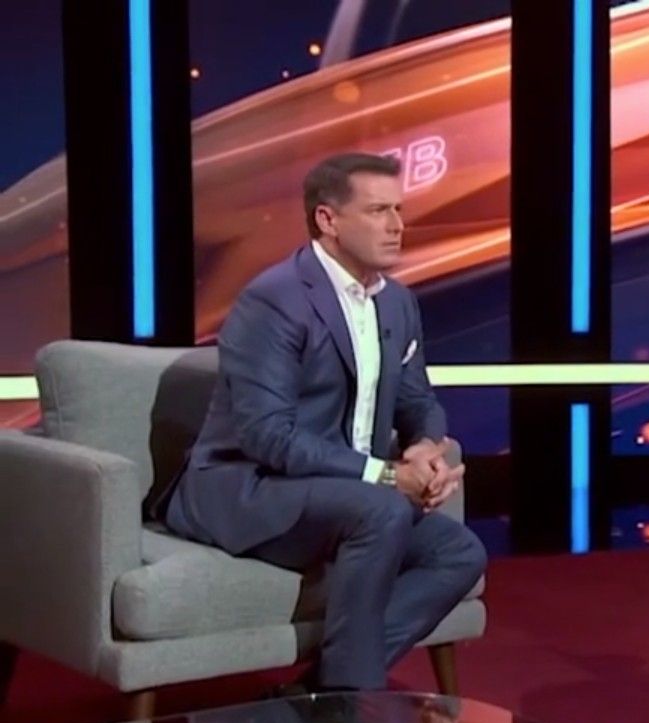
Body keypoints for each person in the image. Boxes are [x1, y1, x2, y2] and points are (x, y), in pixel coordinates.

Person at [160, 152, 487, 693]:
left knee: (459, 551)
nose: (397, 226)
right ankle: (349, 703)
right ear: (327, 220)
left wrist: (424, 447)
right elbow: (267, 436)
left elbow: (417, 398)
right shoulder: (275, 301)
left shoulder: (397, 303)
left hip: (343, 495)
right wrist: (386, 475)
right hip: (251, 488)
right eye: (378, 211)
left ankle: (317, 695)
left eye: (399, 210)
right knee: (382, 509)